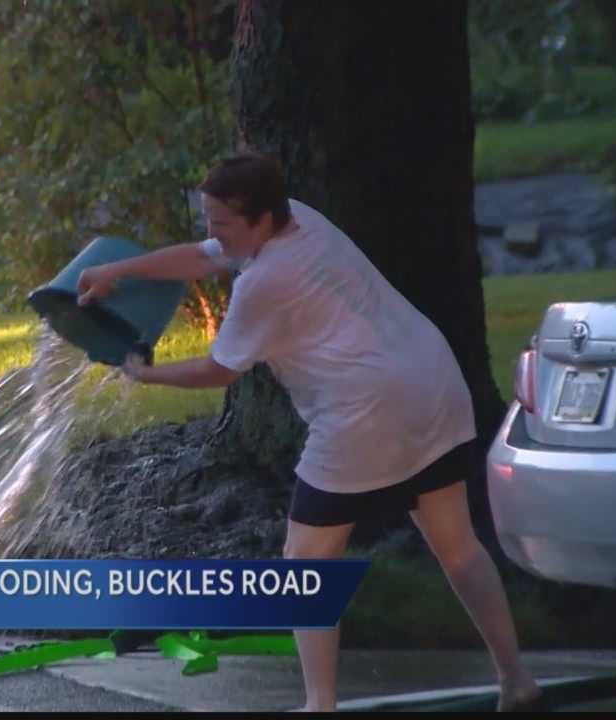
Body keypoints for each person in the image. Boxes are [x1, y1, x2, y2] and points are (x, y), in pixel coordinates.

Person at [76, 152, 543, 712]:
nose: (212, 233)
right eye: (208, 220)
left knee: (305, 564)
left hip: (364, 414)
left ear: (260, 220)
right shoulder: (299, 216)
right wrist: (120, 270)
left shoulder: (267, 281)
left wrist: (145, 374)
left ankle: (320, 705)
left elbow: (221, 369)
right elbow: (204, 258)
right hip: (431, 385)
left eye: (222, 223)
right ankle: (516, 681)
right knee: (459, 547)